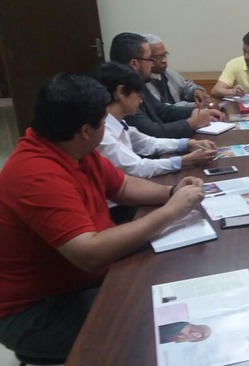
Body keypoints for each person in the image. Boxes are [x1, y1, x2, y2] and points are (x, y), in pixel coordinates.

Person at [0, 73, 206, 359]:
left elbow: (122, 186)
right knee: (162, 329)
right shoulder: (34, 173)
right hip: (38, 312)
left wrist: (171, 193)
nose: (108, 126)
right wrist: (171, 212)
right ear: (86, 129)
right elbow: (90, 252)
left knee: (173, 288)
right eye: (103, 120)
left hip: (80, 283)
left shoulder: (76, 149)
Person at [94, 62, 217, 179]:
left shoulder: (119, 122)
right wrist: (185, 160)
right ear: (120, 92)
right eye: (137, 95)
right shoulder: (102, 133)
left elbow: (148, 143)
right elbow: (137, 167)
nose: (141, 101)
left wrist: (188, 144)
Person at [110, 32, 224, 138]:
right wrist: (192, 123)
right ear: (134, 63)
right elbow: (152, 131)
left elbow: (162, 110)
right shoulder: (122, 91)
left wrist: (195, 111)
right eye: (150, 59)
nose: (153, 64)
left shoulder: (137, 81)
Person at [142, 33, 209, 106]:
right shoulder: (141, 80)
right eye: (158, 57)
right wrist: (193, 105)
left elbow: (185, 86)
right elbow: (161, 109)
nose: (164, 60)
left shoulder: (167, 72)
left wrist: (196, 91)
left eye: (164, 55)